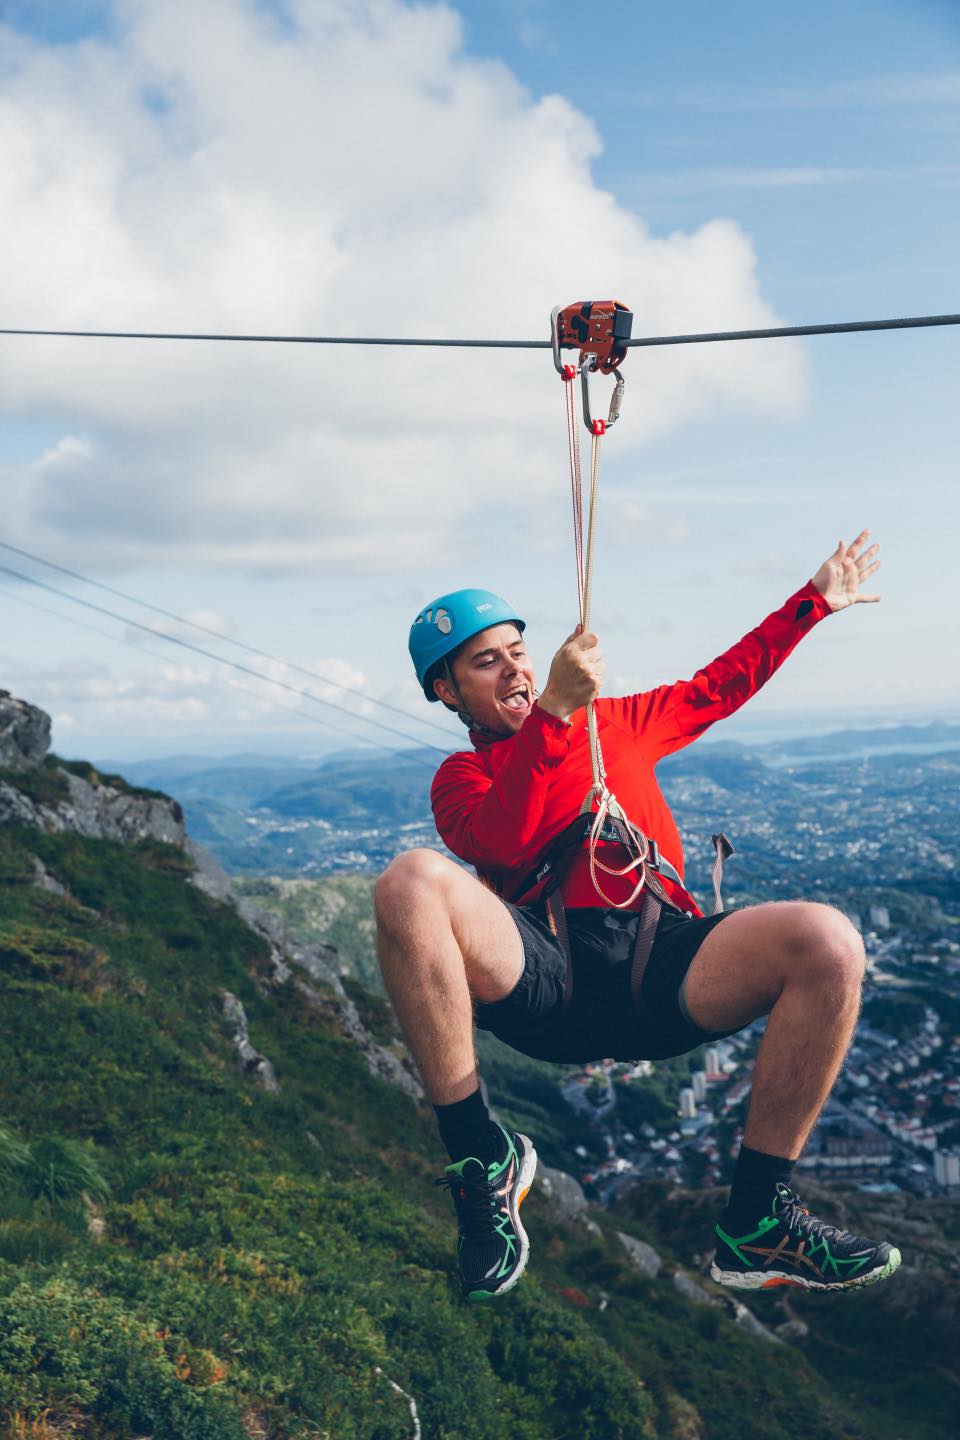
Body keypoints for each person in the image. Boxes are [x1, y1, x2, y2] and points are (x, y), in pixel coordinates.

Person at [376, 531, 902, 1303]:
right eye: (485, 661)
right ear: (448, 694)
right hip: (544, 977)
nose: (515, 666)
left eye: (517, 649)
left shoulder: (617, 724)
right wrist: (554, 711)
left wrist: (813, 602)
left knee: (829, 941)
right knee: (409, 880)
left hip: (661, 963)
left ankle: (758, 1219)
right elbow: (505, 837)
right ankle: (479, 1158)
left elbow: (722, 685)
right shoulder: (463, 775)